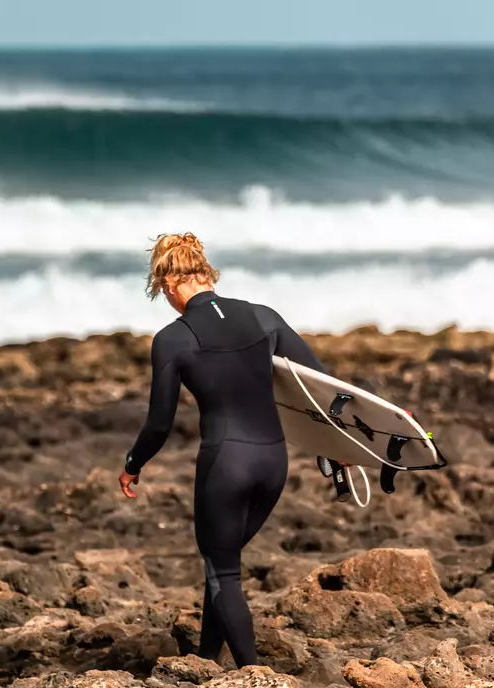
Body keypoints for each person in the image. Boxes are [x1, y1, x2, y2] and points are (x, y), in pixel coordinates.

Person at [117, 232, 328, 669]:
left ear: (169, 285)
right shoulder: (262, 316)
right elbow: (319, 384)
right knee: (223, 562)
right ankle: (207, 657)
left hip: (226, 465)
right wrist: (341, 445)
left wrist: (133, 465)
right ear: (205, 273)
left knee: (222, 571)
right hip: (273, 462)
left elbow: (160, 423)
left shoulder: (173, 339)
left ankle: (254, 674)